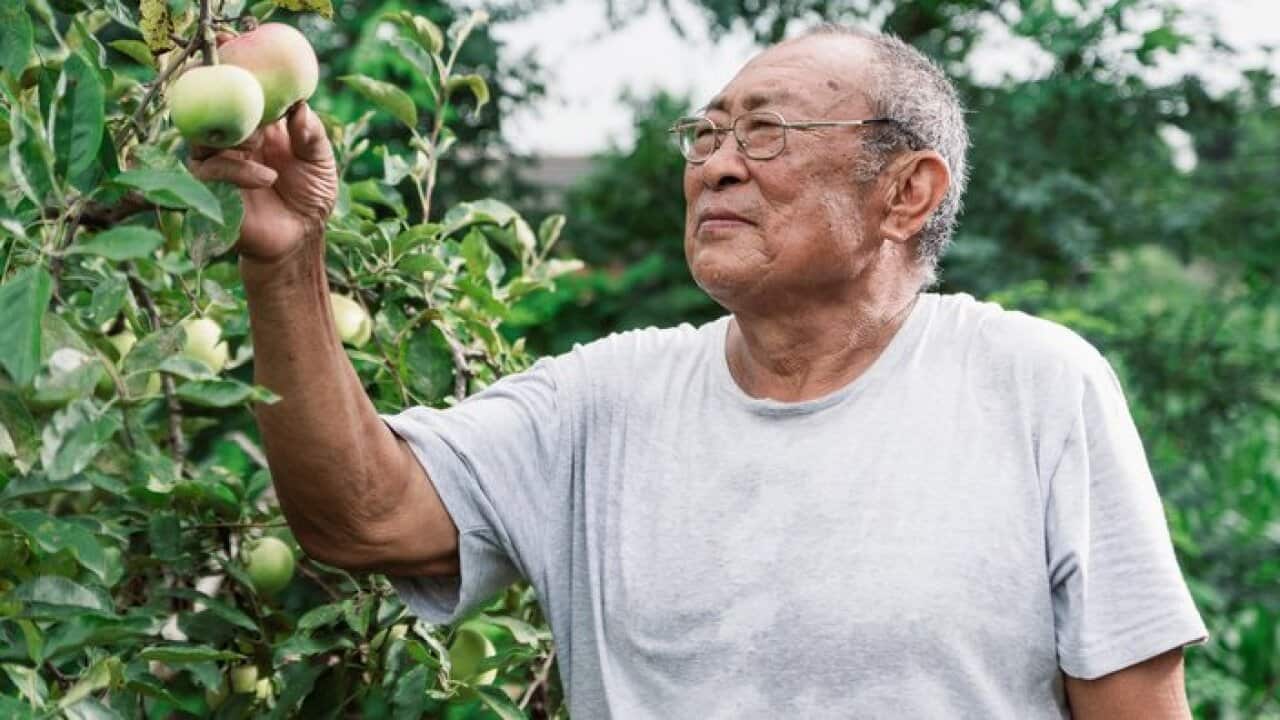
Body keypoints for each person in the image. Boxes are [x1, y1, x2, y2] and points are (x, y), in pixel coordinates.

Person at [193, 22, 1208, 719]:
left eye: (763, 132)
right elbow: (360, 521)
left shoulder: (1031, 385)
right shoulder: (602, 403)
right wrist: (286, 260)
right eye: (706, 132)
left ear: (906, 191)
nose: (714, 162)